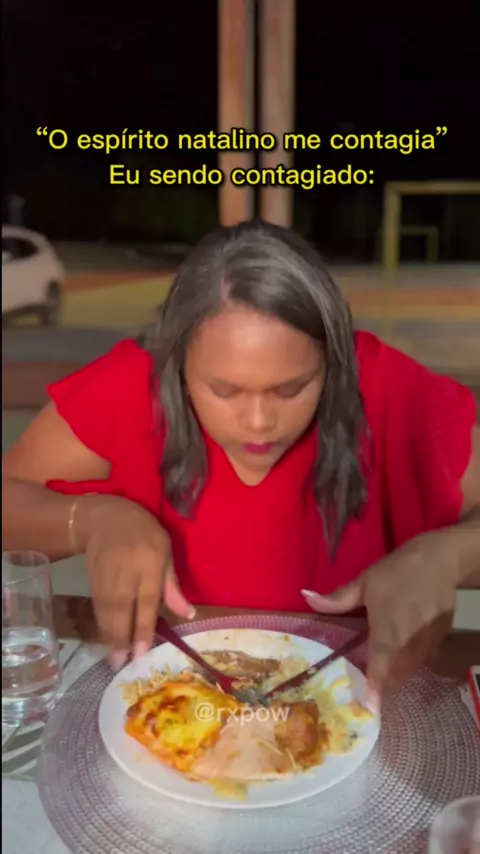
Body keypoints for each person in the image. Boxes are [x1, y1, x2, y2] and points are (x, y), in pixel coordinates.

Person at [3, 220, 479, 707]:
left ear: (332, 364)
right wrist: (93, 520)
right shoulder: (130, 385)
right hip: (181, 703)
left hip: (353, 703)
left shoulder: (389, 390)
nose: (258, 423)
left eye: (291, 389)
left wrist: (449, 554)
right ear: (177, 367)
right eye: (224, 390)